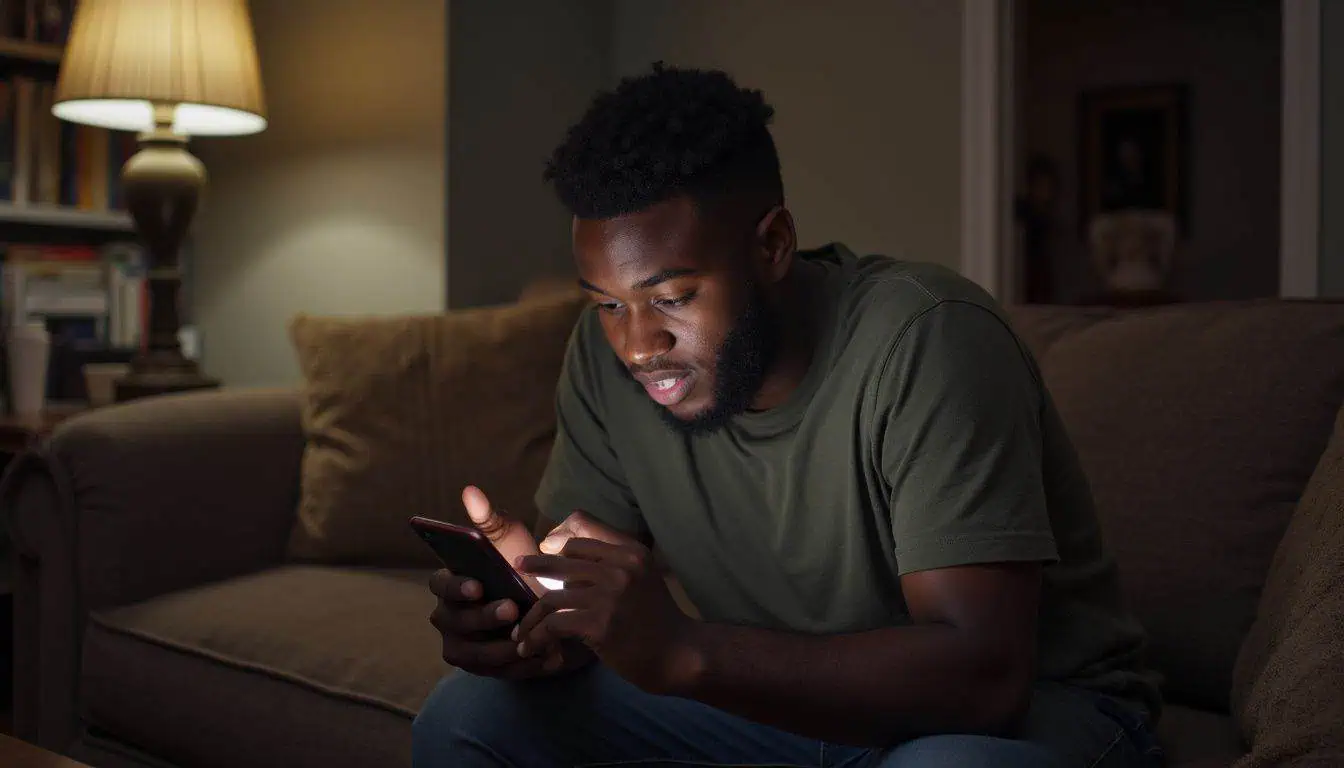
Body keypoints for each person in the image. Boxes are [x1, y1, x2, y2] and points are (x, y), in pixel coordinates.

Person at [413, 63, 1163, 767]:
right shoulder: (604, 358)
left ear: (772, 245)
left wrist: (684, 651)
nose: (639, 345)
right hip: (787, 710)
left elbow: (984, 681)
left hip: (1035, 716)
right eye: (608, 302)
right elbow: (599, 613)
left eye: (673, 297)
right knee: (468, 716)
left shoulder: (931, 338)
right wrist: (529, 618)